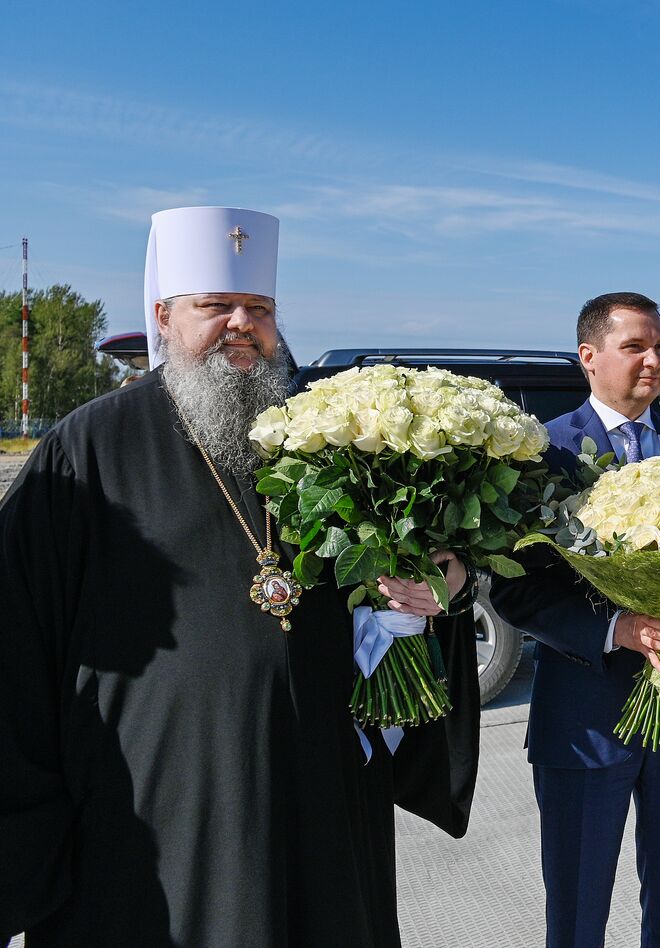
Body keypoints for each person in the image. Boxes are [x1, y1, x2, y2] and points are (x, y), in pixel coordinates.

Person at [0, 206, 476, 947]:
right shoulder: (85, 452)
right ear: (162, 316)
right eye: (214, 305)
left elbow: (401, 584)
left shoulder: (330, 437)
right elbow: (16, 649)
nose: (240, 324)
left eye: (257, 307)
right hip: (163, 803)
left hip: (322, 788)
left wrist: (443, 584)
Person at [489, 292, 660, 948]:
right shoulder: (542, 453)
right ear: (589, 357)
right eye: (636, 347)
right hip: (585, 719)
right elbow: (515, 591)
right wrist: (614, 627)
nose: (654, 361)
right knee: (578, 909)